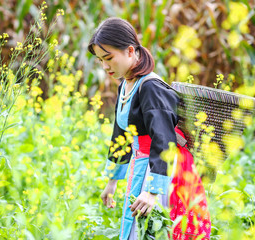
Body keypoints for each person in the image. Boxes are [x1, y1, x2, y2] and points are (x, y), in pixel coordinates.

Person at [88, 17, 211, 240]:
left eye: (109, 58)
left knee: (155, 229)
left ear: (130, 51)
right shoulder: (126, 84)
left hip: (163, 169)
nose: (105, 66)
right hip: (141, 166)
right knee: (139, 227)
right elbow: (121, 135)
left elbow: (163, 140)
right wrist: (112, 181)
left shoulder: (151, 87)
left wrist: (153, 191)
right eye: (100, 60)